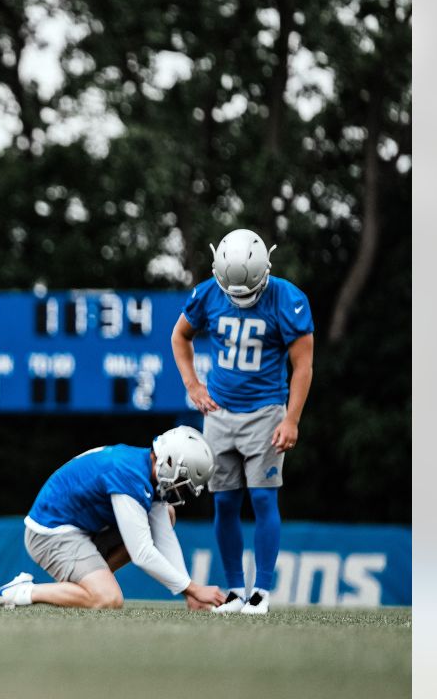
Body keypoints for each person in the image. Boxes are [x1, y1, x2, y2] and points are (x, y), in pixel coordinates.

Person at [170, 228, 315, 615]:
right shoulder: (207, 293)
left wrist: (292, 418)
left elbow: (303, 366)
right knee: (225, 503)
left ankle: (261, 592)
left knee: (264, 497)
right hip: (219, 413)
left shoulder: (288, 298)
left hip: (265, 412)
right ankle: (236, 590)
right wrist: (193, 385)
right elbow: (179, 336)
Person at [0, 426, 227, 611]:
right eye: (182, 480)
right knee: (107, 598)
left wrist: (189, 593)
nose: (180, 489)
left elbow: (163, 536)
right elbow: (142, 552)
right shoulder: (128, 474)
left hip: (80, 530)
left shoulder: (145, 470)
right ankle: (19, 592)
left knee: (168, 514)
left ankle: (91, 580)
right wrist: (194, 588)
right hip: (50, 533)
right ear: (170, 461)